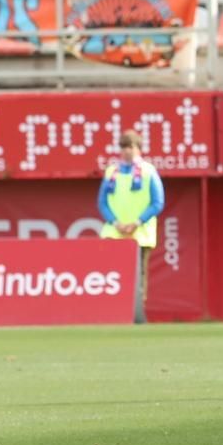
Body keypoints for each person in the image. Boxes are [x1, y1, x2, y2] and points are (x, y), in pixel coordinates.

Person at [97, 131, 163, 325]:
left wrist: (137, 222)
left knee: (139, 277)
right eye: (123, 147)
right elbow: (102, 203)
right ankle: (112, 315)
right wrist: (116, 222)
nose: (127, 152)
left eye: (130, 147)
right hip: (114, 233)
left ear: (138, 149)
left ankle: (137, 316)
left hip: (140, 234)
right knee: (111, 276)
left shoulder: (148, 171)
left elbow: (157, 202)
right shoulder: (112, 172)